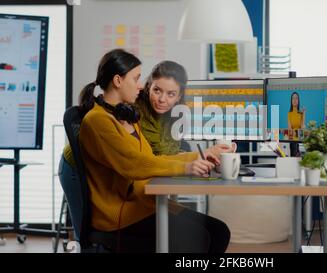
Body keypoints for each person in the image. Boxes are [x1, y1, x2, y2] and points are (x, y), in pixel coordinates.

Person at [76, 49, 230, 253]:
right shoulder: (97, 121)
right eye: (136, 78)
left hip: (144, 204)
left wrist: (202, 155)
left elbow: (152, 159)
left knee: (220, 232)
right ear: (118, 80)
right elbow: (135, 165)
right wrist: (186, 167)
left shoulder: (125, 116)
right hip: (122, 216)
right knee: (199, 238)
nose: (141, 85)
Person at [134, 60, 234, 156]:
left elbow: (173, 152)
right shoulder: (135, 112)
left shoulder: (177, 114)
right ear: (148, 88)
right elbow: (157, 155)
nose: (162, 99)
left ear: (179, 97)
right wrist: (203, 154)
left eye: (171, 94)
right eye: (157, 90)